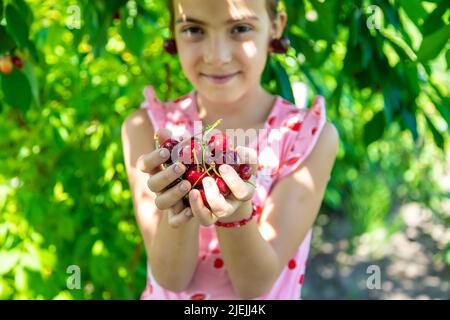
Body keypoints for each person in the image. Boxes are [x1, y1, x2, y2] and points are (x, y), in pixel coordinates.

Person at [121, 0, 339, 300]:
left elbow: (254, 286)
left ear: (276, 25)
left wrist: (235, 213)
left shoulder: (307, 138)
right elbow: (171, 278)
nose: (217, 56)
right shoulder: (146, 130)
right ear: (172, 31)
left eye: (240, 28)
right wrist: (181, 207)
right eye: (194, 29)